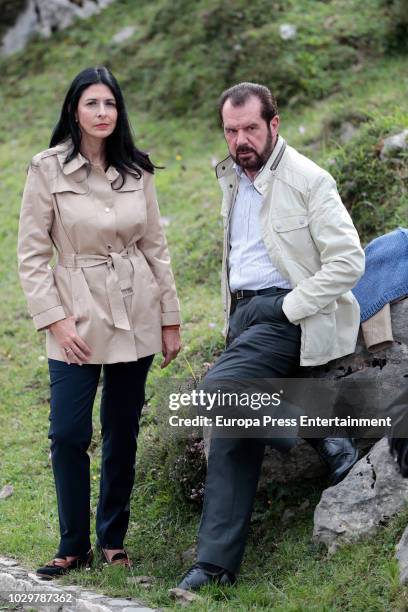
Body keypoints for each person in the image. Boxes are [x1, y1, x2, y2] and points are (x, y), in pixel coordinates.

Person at [177, 82, 365, 590]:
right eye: (231, 130)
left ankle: (313, 424)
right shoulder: (233, 177)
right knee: (232, 432)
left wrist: (288, 305)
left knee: (217, 392)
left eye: (250, 129)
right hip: (242, 318)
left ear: (274, 125)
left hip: (285, 315)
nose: (240, 140)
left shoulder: (308, 179)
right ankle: (214, 568)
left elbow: (349, 261)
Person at [17, 66, 181, 578]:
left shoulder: (139, 169)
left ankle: (112, 539)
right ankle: (72, 545)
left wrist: (170, 319)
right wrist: (56, 322)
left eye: (110, 104)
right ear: (74, 109)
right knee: (67, 432)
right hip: (76, 313)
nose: (103, 113)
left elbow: (156, 247)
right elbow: (30, 254)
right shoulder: (46, 170)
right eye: (92, 103)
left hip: (137, 311)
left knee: (122, 429)